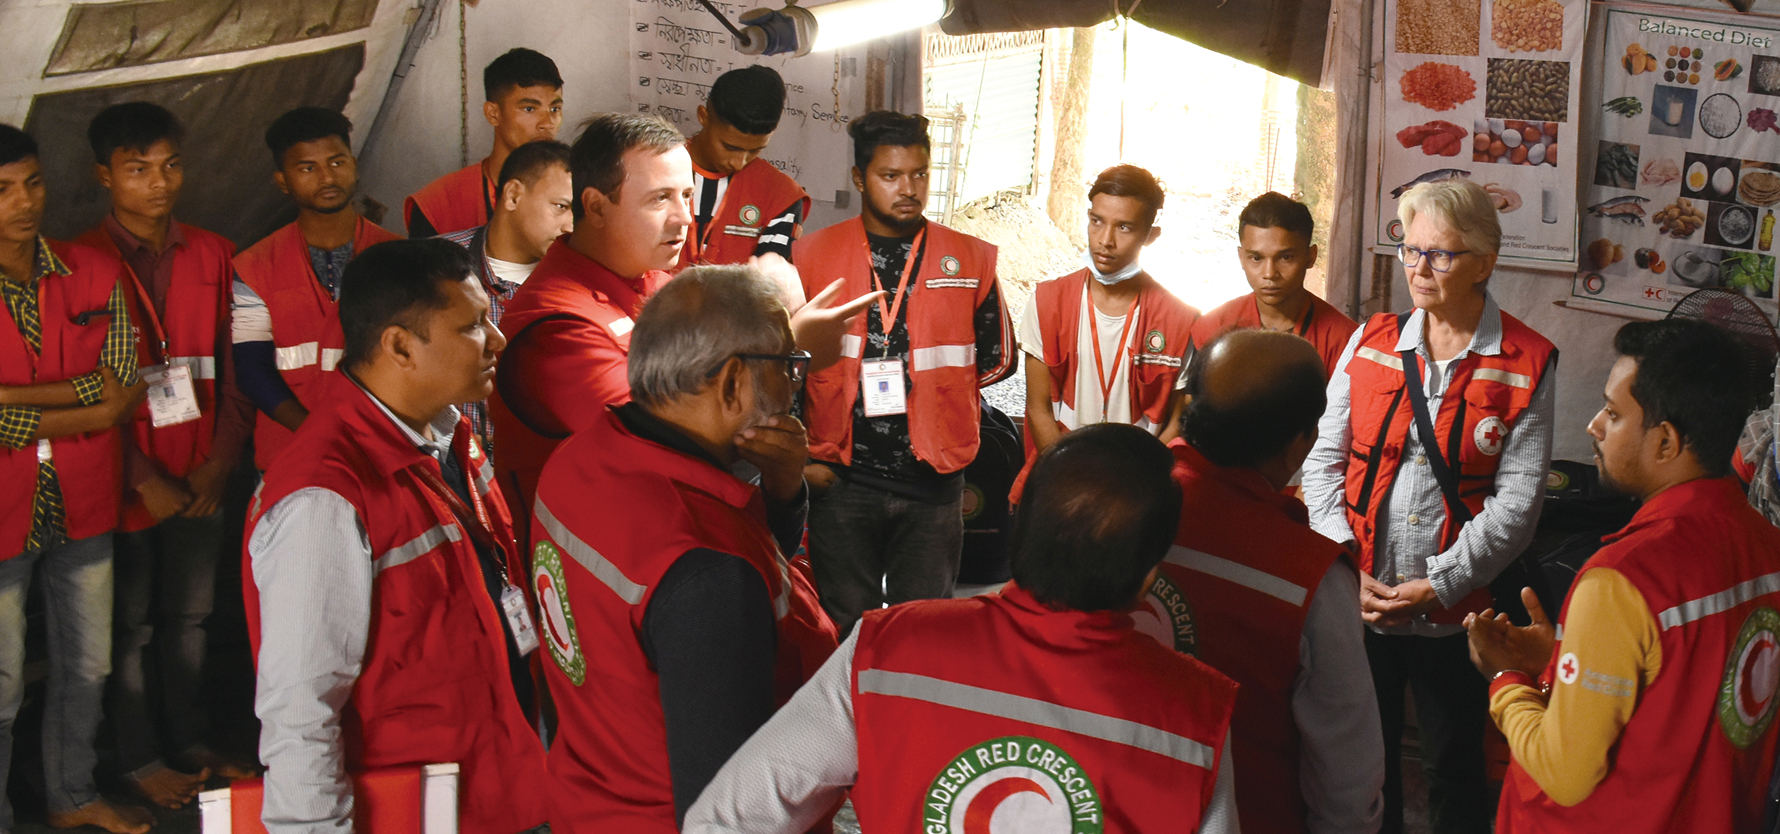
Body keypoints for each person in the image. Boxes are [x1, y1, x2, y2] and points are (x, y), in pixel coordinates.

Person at [685, 423, 1242, 834]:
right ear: (1147, 577)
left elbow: (726, 819)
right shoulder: (1197, 716)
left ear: (1018, 527)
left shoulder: (887, 649)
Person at [245, 239, 549, 834]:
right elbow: (300, 712)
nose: (497, 340)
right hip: (421, 811)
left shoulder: (449, 438)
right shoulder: (323, 498)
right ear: (400, 346)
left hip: (498, 787)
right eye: (472, 325)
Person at [528, 265, 837, 833]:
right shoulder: (705, 564)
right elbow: (732, 813)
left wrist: (782, 490)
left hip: (588, 800)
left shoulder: (578, 458)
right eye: (788, 365)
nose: (794, 386)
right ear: (733, 383)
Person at [1302, 178, 1557, 834]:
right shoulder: (1370, 341)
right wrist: (1344, 566)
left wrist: (1438, 585)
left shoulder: (1526, 361)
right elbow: (1323, 462)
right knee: (1364, 764)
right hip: (1358, 604)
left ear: (1484, 262)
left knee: (1452, 766)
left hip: (1459, 617)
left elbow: (1518, 505)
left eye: (1439, 254)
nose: (1418, 268)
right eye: (1409, 250)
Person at [1467, 319, 1780, 833]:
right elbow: (1683, 694)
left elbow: (1565, 774)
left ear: (1665, 442)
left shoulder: (1622, 578)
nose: (1594, 426)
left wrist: (1507, 680)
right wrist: (1560, 660)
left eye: (1613, 414)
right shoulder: (1767, 547)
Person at [75, 102, 257, 810]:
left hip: (201, 471)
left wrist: (221, 460)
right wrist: (141, 476)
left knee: (190, 619)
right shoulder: (79, 263)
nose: (159, 183)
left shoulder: (215, 253)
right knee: (128, 627)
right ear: (103, 176)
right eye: (138, 169)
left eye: (170, 166)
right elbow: (81, 380)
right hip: (122, 480)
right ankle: (138, 757)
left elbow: (237, 367)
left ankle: (189, 740)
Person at [1155, 329, 1384, 834]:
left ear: (1190, 408)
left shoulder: (1124, 509)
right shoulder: (1311, 577)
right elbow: (1347, 779)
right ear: (1300, 443)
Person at [795, 110, 1014, 634]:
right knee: (845, 626)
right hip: (842, 479)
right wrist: (803, 460)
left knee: (925, 631)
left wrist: (942, 399)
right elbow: (786, 368)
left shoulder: (970, 258)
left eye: (919, 174)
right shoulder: (810, 257)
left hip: (934, 483)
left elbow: (997, 357)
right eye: (890, 176)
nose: (909, 189)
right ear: (859, 178)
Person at [0, 123, 152, 834]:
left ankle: (72, 796)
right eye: (3, 189)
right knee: (1, 687)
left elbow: (122, 386)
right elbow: (100, 396)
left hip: (83, 503)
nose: (24, 201)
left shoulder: (90, 269)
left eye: (32, 182)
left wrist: (8, 399)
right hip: (2, 516)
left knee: (87, 666)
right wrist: (84, 403)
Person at [488, 113, 691, 525]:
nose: (684, 217)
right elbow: (668, 442)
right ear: (596, 206)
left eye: (686, 195)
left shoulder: (650, 278)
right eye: (660, 199)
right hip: (583, 554)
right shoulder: (554, 329)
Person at [232, 107, 400, 471]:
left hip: (380, 448)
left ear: (354, 165)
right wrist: (316, 433)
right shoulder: (253, 266)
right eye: (307, 168)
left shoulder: (397, 255)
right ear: (282, 181)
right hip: (288, 456)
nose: (327, 177)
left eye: (337, 162)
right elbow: (251, 369)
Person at [1017, 163, 1197, 500]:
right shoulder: (1046, 302)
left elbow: (1178, 420)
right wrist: (1069, 480)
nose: (1105, 240)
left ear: (1151, 235)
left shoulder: (1181, 320)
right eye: (1097, 221)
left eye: (1124, 227)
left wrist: (1130, 486)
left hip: (1138, 490)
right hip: (1061, 484)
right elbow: (1038, 407)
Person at [440, 138, 574, 451]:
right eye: (561, 207)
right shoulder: (435, 267)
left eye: (577, 213)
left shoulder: (579, 280)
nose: (570, 226)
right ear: (513, 195)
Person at [679, 65, 809, 304]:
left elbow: (766, 292)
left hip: (735, 323)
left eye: (755, 150)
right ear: (703, 116)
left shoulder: (780, 195)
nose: (738, 162)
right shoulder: (653, 171)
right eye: (730, 147)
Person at [406, 48, 563, 238]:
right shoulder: (439, 204)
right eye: (529, 109)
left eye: (555, 109)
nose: (547, 123)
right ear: (493, 114)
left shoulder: (578, 193)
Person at [1194, 192, 1357, 375]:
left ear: (1311, 257)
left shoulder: (1346, 341)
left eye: (1285, 257)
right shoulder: (1211, 328)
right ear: (1241, 258)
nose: (1269, 274)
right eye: (1256, 258)